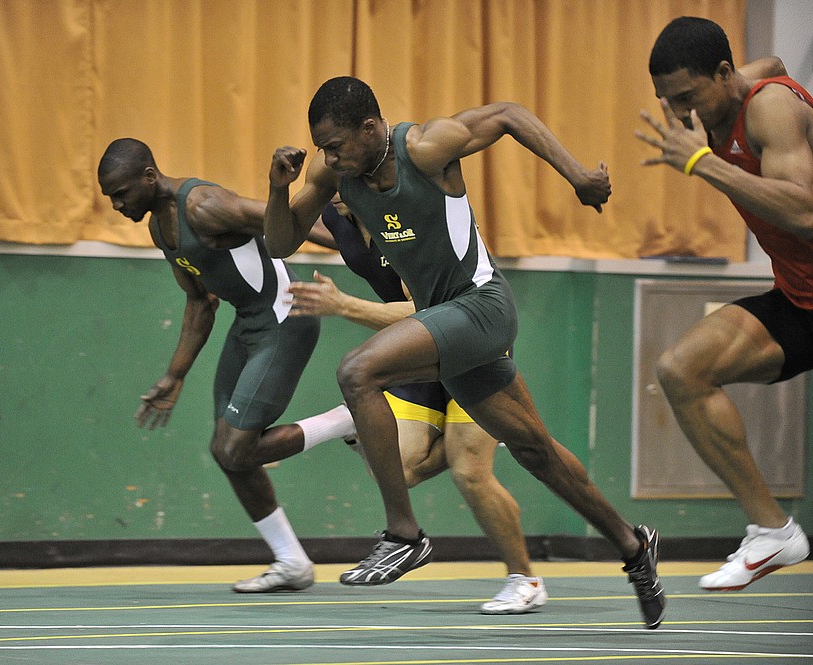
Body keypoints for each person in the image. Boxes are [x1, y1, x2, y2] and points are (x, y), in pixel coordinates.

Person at [263, 76, 666, 629]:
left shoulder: (425, 148)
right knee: (535, 450)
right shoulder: (334, 172)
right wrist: (277, 190)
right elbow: (281, 243)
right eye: (322, 148)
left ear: (370, 127)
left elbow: (508, 114)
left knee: (358, 371)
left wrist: (577, 177)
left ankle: (403, 534)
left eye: (337, 144)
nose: (329, 157)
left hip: (482, 305)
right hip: (446, 324)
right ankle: (632, 545)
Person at [98, 138, 359, 593]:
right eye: (110, 198)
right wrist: (175, 375)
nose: (117, 204)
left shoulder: (203, 205)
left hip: (284, 320)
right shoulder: (161, 228)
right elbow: (201, 304)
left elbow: (284, 219)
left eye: (121, 193)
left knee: (238, 448)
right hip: (248, 326)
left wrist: (357, 247)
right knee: (226, 452)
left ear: (148, 176)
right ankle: (292, 563)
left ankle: (347, 420)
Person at [292, 198, 547, 614]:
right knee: (401, 469)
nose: (336, 171)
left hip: (468, 341)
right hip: (417, 354)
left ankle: (526, 579)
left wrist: (345, 306)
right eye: (328, 161)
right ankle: (464, 434)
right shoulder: (338, 217)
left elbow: (425, 311)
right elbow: (285, 227)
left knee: (471, 472)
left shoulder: (408, 221)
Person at [636, 17, 811, 591]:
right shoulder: (730, 95)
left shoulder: (770, 110)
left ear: (722, 74)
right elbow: (774, 65)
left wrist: (701, 161)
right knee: (681, 370)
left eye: (686, 97)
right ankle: (771, 531)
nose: (678, 112)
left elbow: (805, 216)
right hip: (801, 298)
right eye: (666, 100)